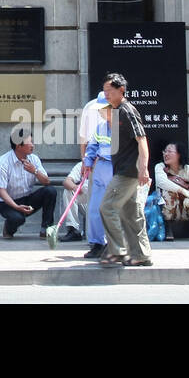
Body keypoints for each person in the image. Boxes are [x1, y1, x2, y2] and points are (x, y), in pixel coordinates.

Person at [83, 73, 151, 267]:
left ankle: (118, 251)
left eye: (109, 91)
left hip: (127, 172)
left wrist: (143, 169)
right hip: (120, 169)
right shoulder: (114, 112)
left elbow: (142, 139)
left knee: (107, 207)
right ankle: (141, 254)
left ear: (121, 91)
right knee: (131, 213)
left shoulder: (126, 111)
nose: (106, 95)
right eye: (104, 91)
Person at [0, 127, 56, 238]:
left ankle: (46, 229)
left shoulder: (34, 159)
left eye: (32, 141)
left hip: (27, 199)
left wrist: (34, 171)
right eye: (29, 142)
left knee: (50, 191)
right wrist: (16, 207)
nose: (32, 145)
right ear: (18, 146)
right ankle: (8, 228)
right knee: (18, 219)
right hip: (8, 203)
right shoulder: (3, 162)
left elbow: (47, 181)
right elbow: (1, 191)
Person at [80, 98, 113, 259]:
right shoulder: (100, 127)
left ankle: (113, 246)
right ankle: (97, 244)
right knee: (94, 208)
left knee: (113, 209)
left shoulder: (123, 127)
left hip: (116, 169)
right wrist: (87, 161)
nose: (100, 112)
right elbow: (92, 146)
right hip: (100, 168)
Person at [155, 142, 189, 240]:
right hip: (170, 209)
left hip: (187, 207)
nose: (165, 154)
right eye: (165, 151)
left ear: (179, 154)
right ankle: (168, 228)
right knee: (168, 191)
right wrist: (184, 191)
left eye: (169, 151)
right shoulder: (160, 167)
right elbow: (161, 182)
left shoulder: (188, 169)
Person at [54, 161, 87, 243]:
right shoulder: (82, 165)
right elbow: (66, 182)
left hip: (104, 206)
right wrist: (76, 187)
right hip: (88, 203)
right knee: (69, 191)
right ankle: (73, 230)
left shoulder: (106, 165)